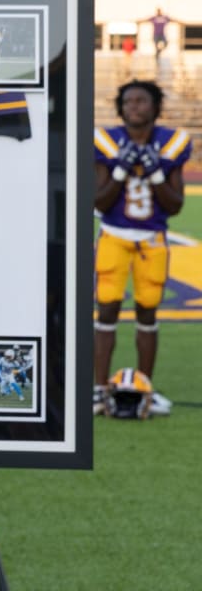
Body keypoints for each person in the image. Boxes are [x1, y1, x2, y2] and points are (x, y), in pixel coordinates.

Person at [93, 79, 190, 416]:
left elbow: (175, 205)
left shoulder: (172, 143)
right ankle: (98, 388)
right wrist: (120, 168)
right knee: (106, 310)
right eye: (129, 101)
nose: (135, 106)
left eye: (142, 101)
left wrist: (156, 172)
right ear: (120, 108)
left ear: (155, 106)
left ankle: (144, 385)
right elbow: (100, 201)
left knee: (148, 311)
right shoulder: (106, 141)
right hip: (114, 235)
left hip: (152, 239)